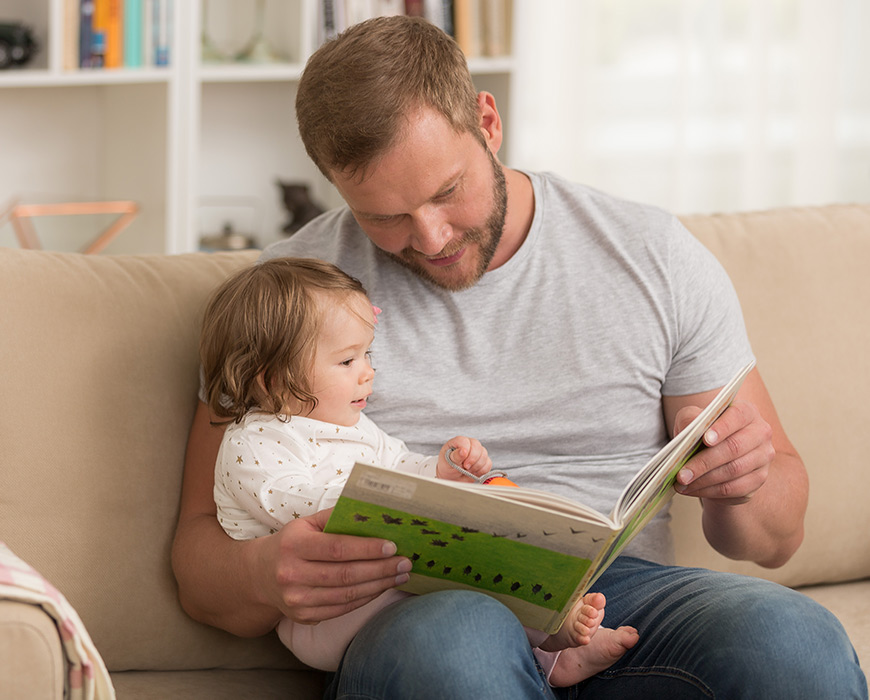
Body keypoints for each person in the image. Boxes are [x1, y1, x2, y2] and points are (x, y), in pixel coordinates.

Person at [172, 15, 867, 699]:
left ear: (488, 122)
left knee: (794, 640)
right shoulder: (284, 296)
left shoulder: (652, 254)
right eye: (384, 217)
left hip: (614, 601)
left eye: (447, 192)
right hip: (420, 610)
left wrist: (743, 482)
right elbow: (199, 559)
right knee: (459, 640)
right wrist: (266, 573)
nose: (432, 236)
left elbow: (773, 539)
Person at [199, 256, 639, 684]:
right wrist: (383, 504)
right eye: (347, 361)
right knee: (455, 582)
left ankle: (552, 651)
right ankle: (554, 649)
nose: (367, 373)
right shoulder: (250, 444)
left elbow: (396, 462)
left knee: (469, 570)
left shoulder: (351, 425)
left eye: (367, 355)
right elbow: (292, 506)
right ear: (273, 380)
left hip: (379, 579)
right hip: (323, 616)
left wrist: (440, 471)